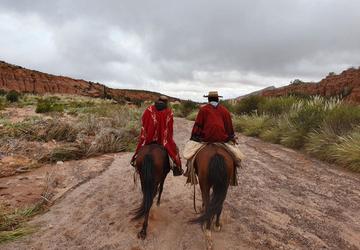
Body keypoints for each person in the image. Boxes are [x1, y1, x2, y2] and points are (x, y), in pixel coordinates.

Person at [184, 91, 244, 174]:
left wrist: (194, 137)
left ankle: (189, 170)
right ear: (218, 99)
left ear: (208, 99)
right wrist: (231, 136)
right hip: (222, 139)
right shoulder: (225, 111)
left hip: (206, 139)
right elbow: (229, 126)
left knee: (190, 154)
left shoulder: (203, 110)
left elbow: (198, 125)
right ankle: (235, 169)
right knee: (236, 156)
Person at [131, 96, 183, 176]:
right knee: (174, 150)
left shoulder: (149, 109)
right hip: (163, 140)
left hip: (148, 138)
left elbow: (144, 122)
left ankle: (134, 159)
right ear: (166, 102)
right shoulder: (169, 112)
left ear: (158, 100)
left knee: (140, 148)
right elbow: (169, 129)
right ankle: (176, 167)